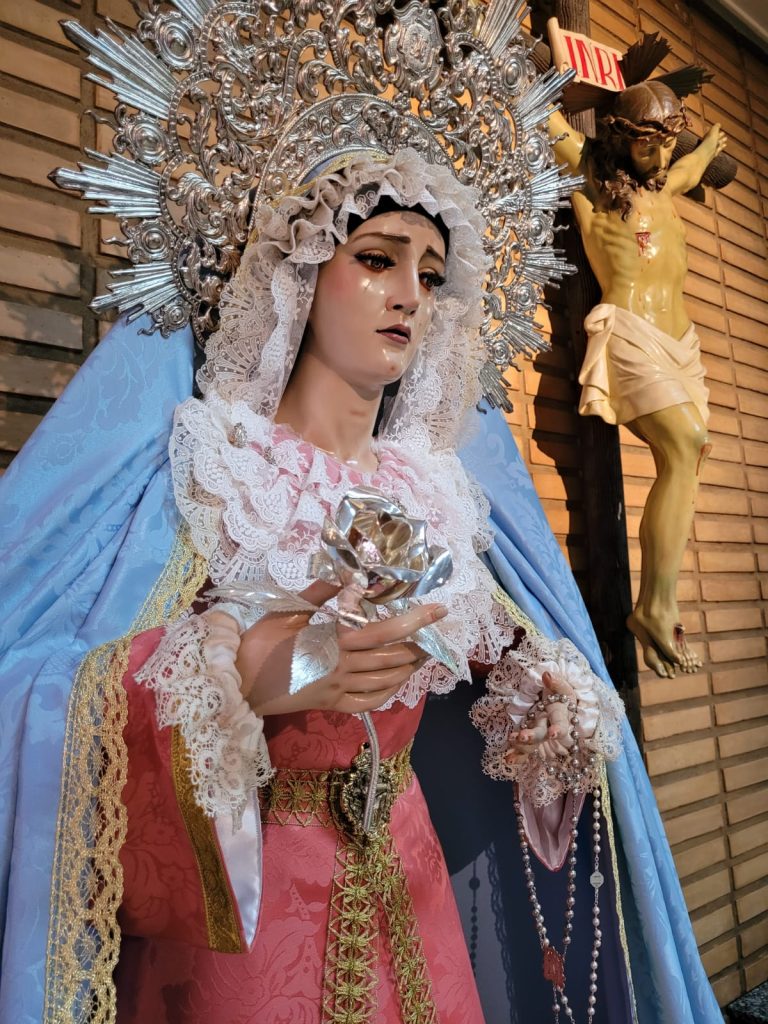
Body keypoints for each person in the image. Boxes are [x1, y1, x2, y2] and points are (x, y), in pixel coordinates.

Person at [0, 5, 723, 1023]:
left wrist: (537, 699)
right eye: (378, 258)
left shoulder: (435, 490)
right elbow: (33, 689)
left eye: (430, 274)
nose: (409, 296)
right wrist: (247, 672)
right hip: (249, 936)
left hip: (413, 893)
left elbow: (466, 699)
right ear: (299, 268)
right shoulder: (218, 469)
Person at [549, 80, 727, 680]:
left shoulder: (664, 181)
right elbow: (543, 119)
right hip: (630, 332)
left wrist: (706, 149)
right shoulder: (595, 179)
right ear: (621, 138)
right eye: (649, 148)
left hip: (681, 344)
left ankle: (656, 603)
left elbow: (687, 167)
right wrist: (550, 60)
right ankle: (655, 607)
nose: (660, 160)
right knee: (684, 442)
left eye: (668, 146)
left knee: (692, 451)